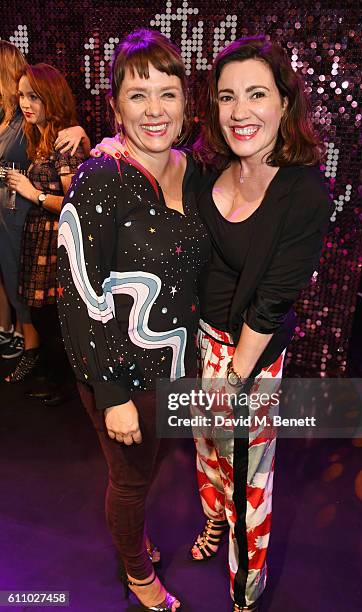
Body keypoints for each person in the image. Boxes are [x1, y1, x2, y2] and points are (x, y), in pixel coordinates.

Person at [92, 35, 332, 612]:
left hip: (250, 358)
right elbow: (159, 160)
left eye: (256, 94)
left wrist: (231, 378)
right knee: (206, 452)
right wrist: (110, 146)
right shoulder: (208, 165)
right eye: (227, 97)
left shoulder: (304, 191)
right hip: (197, 346)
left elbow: (272, 301)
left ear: (284, 103)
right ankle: (213, 523)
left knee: (249, 473)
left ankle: (245, 587)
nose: (240, 111)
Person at [57, 29, 210, 611]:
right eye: (138, 94)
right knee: (131, 481)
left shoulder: (195, 172)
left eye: (167, 94)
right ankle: (137, 575)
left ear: (186, 103)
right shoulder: (102, 180)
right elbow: (77, 297)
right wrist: (112, 391)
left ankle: (136, 542)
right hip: (118, 369)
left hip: (174, 368)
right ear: (116, 104)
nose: (154, 110)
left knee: (148, 467)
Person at [0, 40, 89, 380]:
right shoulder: (38, 137)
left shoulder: (63, 142)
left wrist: (32, 193)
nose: (25, 103)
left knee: (52, 322)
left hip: (55, 245)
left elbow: (75, 205)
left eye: (33, 96)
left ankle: (62, 386)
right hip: (36, 240)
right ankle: (52, 379)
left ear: (51, 98)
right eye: (22, 95)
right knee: (42, 318)